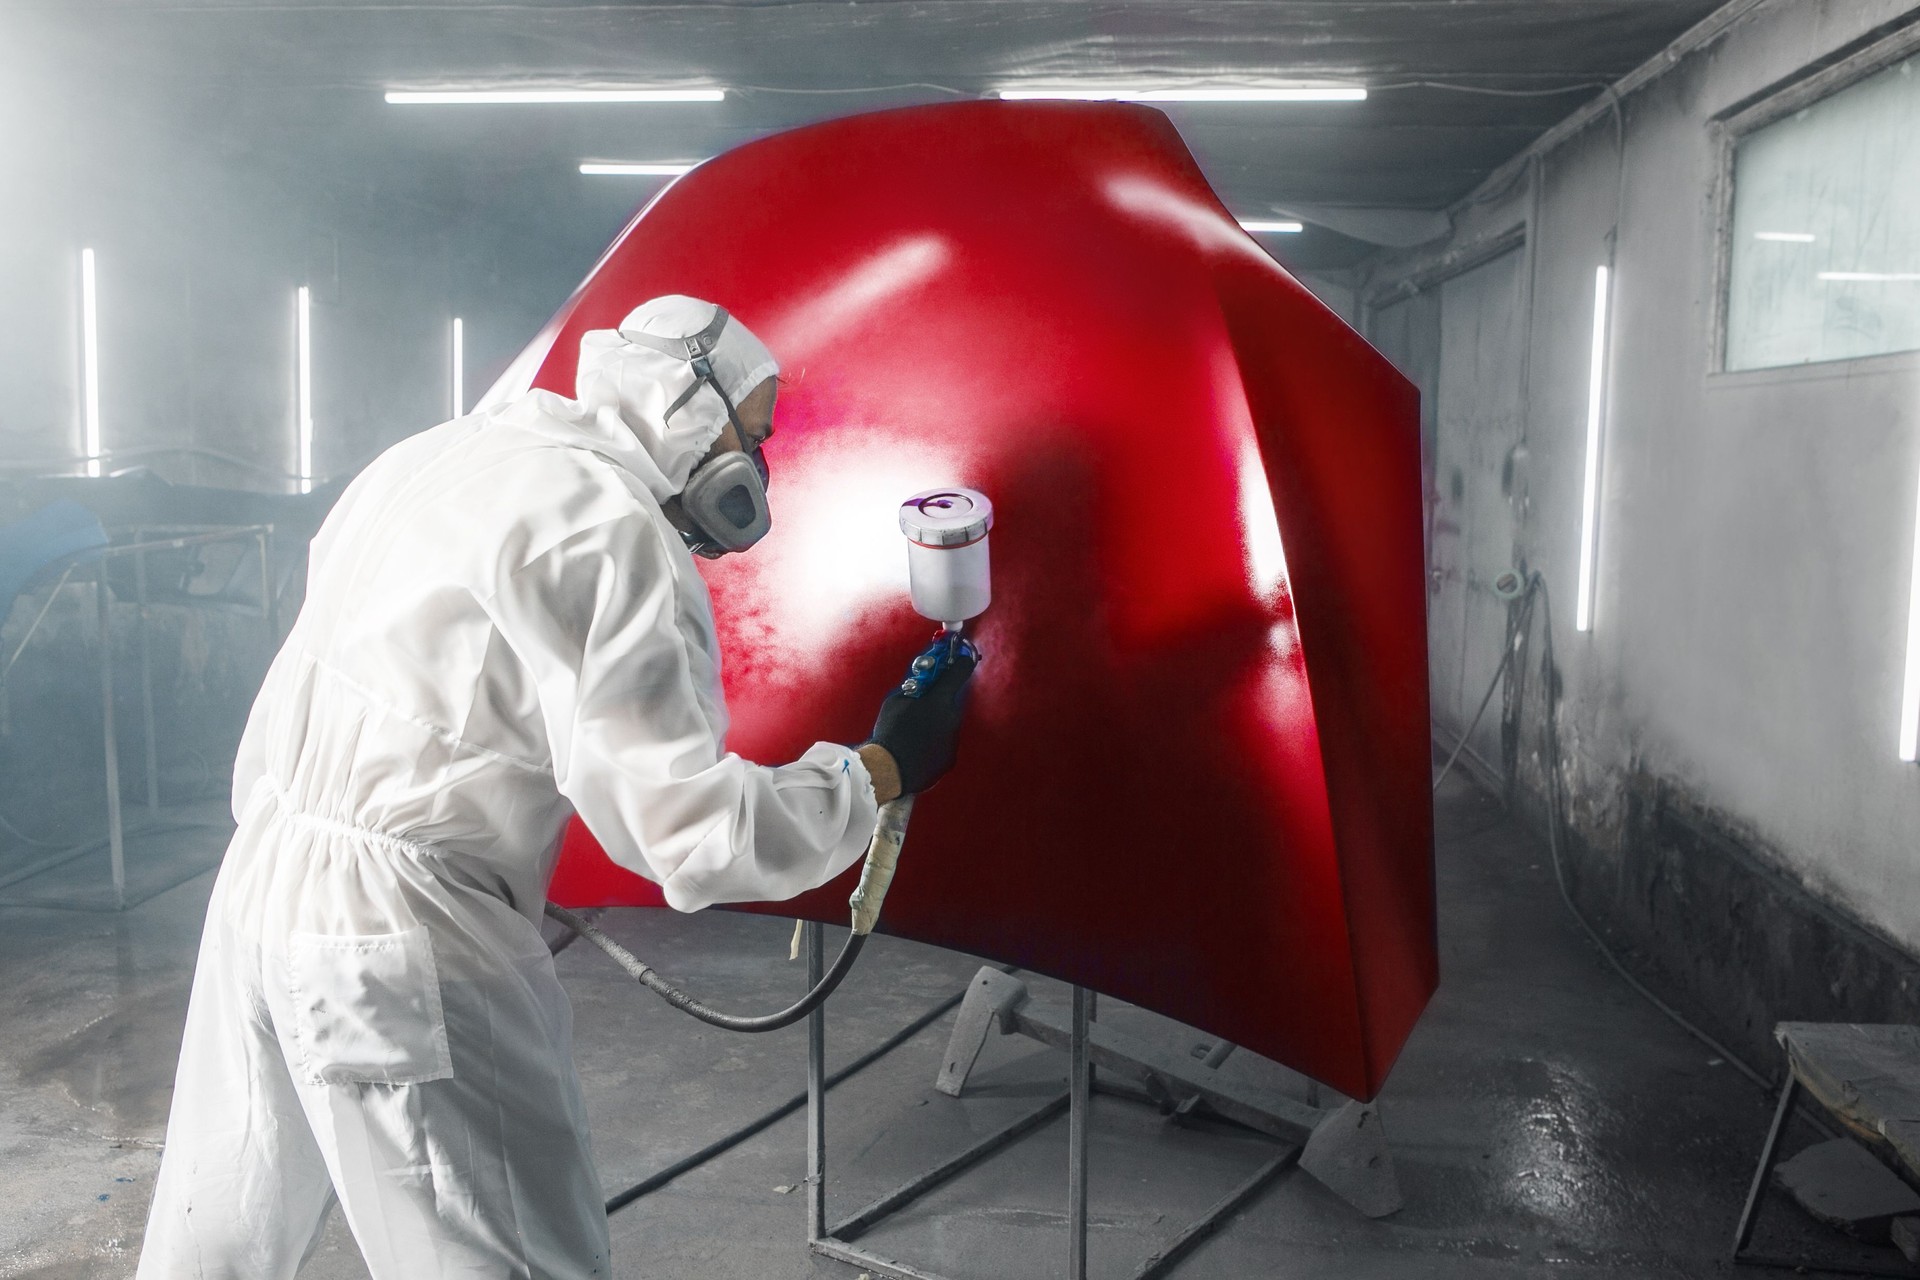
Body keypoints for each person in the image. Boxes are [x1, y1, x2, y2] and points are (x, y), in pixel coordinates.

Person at [136, 295, 976, 1279]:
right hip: (404, 937)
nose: (757, 470)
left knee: (215, 1243)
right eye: (752, 436)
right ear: (685, 413)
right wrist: (877, 769)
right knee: (510, 1256)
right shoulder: (609, 530)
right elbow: (693, 834)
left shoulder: (430, 458)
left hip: (257, 883)